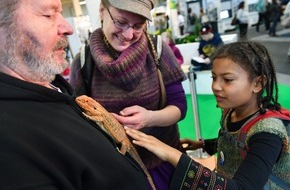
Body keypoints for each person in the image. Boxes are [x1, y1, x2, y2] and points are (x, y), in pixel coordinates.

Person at [0, 0, 151, 189]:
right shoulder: (11, 141)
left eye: (138, 26)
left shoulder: (52, 83)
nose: (68, 27)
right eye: (48, 14)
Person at [125, 41, 290, 189]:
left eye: (228, 80)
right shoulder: (231, 112)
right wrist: (204, 145)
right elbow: (235, 145)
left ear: (258, 83)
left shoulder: (267, 133)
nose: (216, 86)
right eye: (214, 78)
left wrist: (171, 154)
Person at [69, 0, 187, 189]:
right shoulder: (84, 60)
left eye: (138, 26)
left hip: (164, 164)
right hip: (112, 171)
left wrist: (150, 118)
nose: (128, 34)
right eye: (121, 22)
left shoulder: (158, 49)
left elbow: (180, 105)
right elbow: (77, 119)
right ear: (102, 10)